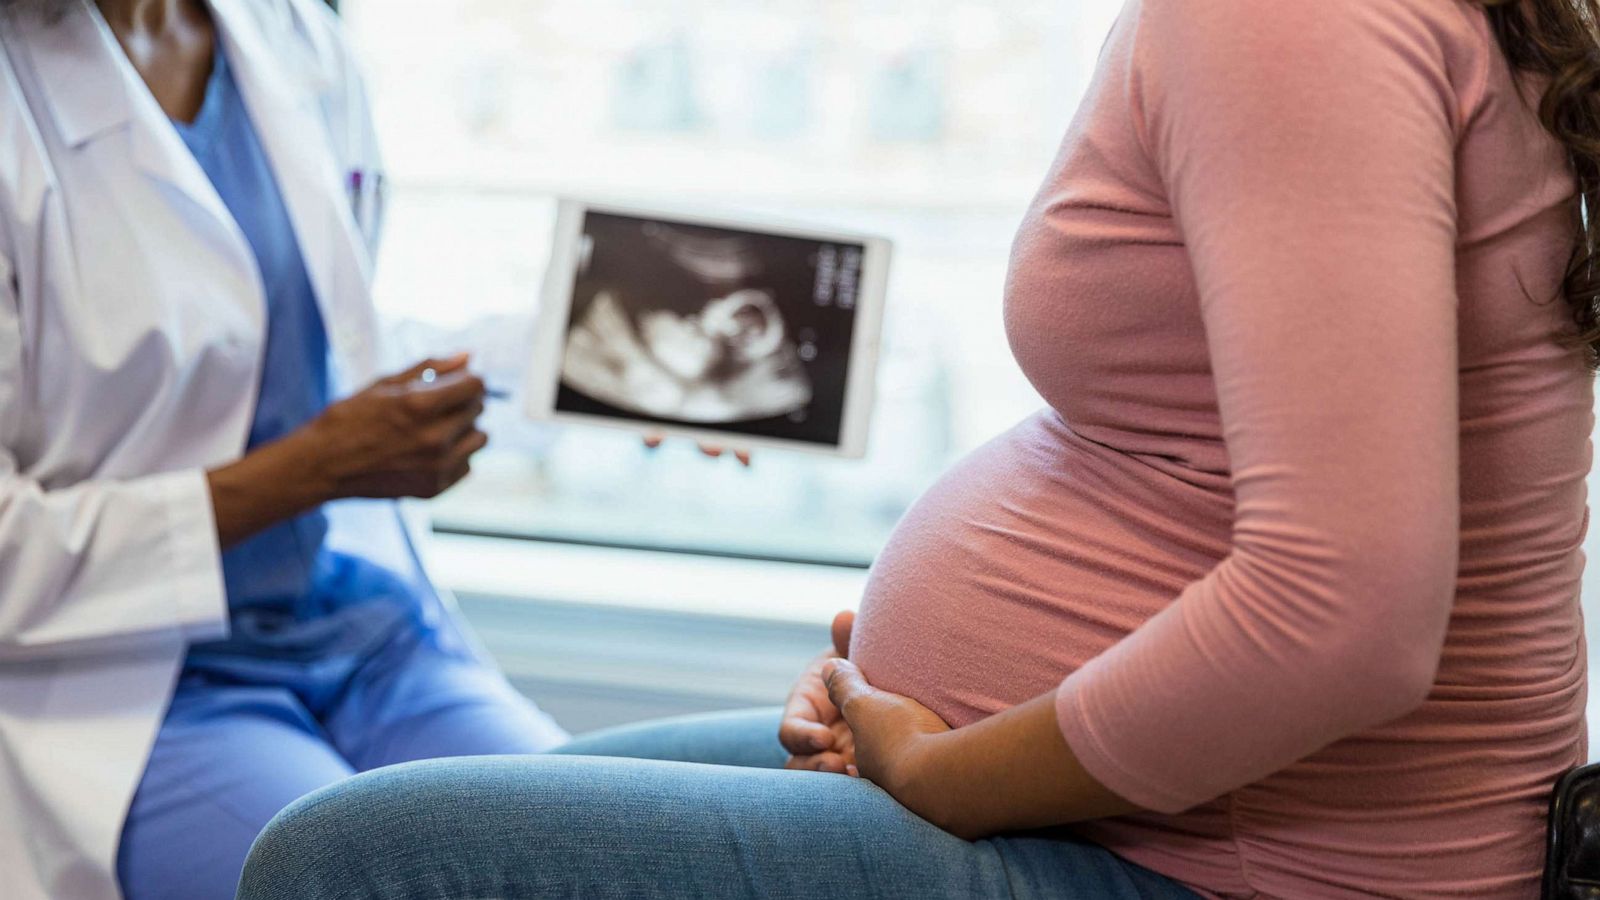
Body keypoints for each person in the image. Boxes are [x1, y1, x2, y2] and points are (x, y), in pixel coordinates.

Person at [238, 0, 1600, 897]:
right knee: (505, 809)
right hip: (1194, 816)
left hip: (1263, 867)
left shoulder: (1283, 22)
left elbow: (1345, 617)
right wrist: (935, 663)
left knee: (352, 863)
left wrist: (950, 765)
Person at [0, 1, 582, 898]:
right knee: (359, 880)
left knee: (608, 854)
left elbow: (311, 338)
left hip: (352, 629)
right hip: (128, 683)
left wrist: (588, 371)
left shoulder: (287, 30)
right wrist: (313, 468)